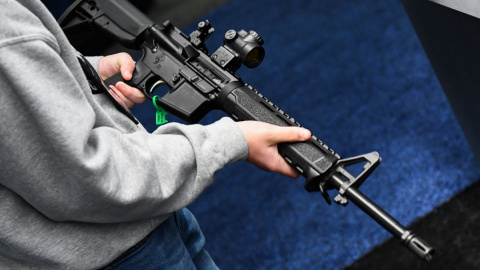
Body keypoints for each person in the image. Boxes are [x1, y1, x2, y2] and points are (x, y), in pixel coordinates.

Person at [0, 0, 311, 269]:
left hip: (145, 220)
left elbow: (29, 79)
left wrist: (89, 75)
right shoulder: (7, 34)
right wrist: (232, 141)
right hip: (108, 253)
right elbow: (90, 178)